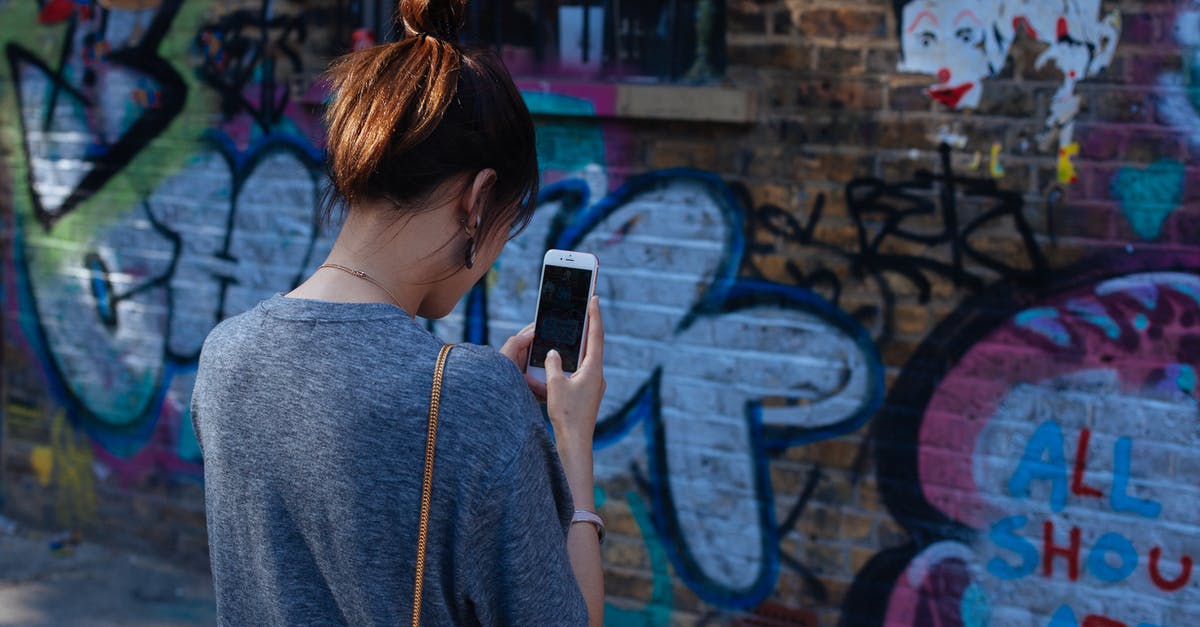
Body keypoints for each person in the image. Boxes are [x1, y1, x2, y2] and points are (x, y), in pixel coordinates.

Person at [190, 0, 605, 624]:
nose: (493, 253)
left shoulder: (225, 355)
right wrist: (572, 436)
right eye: (506, 225)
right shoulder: (472, 398)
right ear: (479, 197)